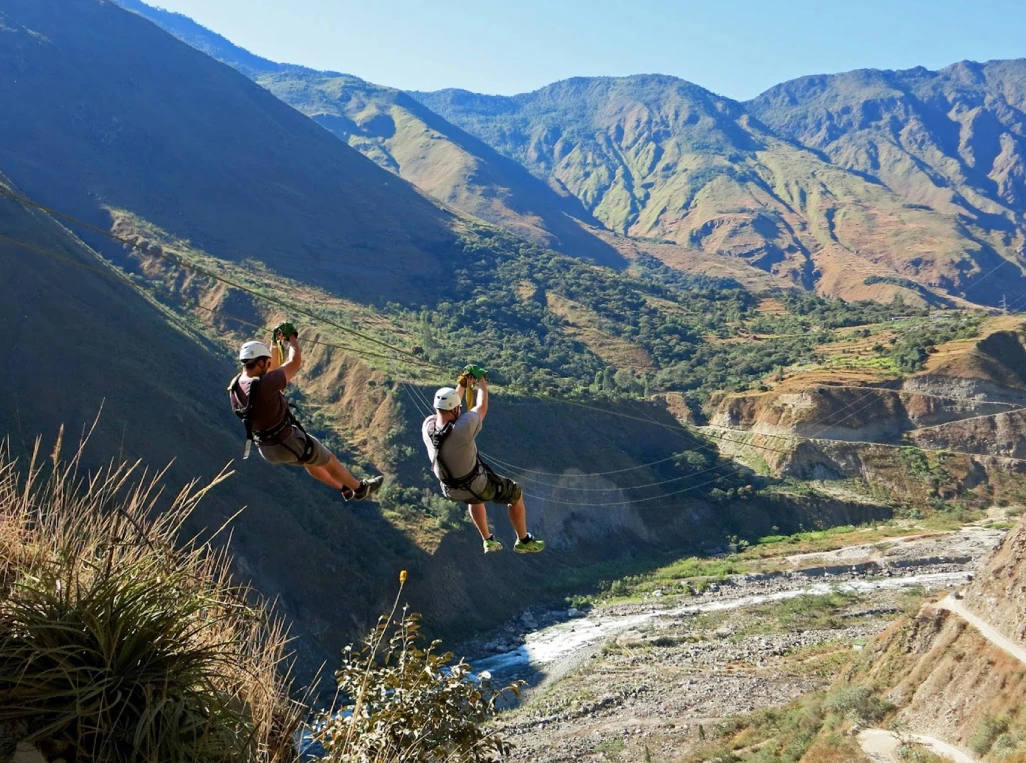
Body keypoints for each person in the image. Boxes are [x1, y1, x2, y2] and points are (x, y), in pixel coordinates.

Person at [228, 325, 383, 501]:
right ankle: (360, 488)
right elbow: (294, 363)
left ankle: (344, 488)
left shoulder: (236, 385)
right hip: (287, 441)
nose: (269, 364)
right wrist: (293, 339)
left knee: (309, 459)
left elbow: (271, 370)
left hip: (266, 448)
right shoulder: (266, 383)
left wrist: (274, 343)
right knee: (328, 459)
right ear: (261, 362)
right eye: (266, 361)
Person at [422, 366, 544, 554]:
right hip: (476, 484)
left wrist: (462, 385)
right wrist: (481, 383)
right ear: (456, 408)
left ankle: (487, 539)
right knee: (515, 493)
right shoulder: (463, 427)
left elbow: (452, 406)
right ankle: (523, 540)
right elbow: (482, 406)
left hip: (451, 490)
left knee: (473, 497)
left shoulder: (427, 427)